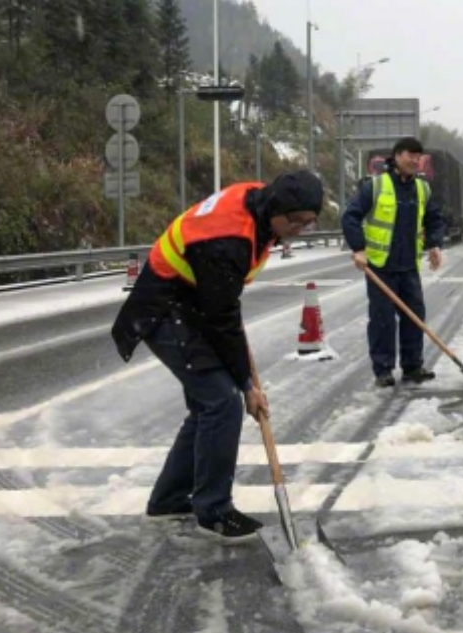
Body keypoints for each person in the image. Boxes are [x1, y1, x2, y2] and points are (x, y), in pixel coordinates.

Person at [111, 171, 324, 543]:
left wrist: (242, 376)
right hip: (164, 308)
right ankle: (214, 512)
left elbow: (221, 306)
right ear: (277, 208)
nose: (299, 229)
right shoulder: (227, 238)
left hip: (192, 303)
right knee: (222, 402)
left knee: (207, 405)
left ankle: (168, 501)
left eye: (309, 222)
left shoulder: (260, 210)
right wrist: (246, 385)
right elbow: (220, 318)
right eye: (295, 221)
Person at [341, 136, 446, 388]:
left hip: (409, 265)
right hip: (380, 266)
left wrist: (434, 243)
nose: (415, 160)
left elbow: (434, 218)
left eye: (418, 156)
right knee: (382, 319)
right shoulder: (375, 186)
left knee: (414, 316)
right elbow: (350, 216)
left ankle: (412, 366)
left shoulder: (422, 188)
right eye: (410, 155)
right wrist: (358, 249)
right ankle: (383, 370)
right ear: (397, 156)